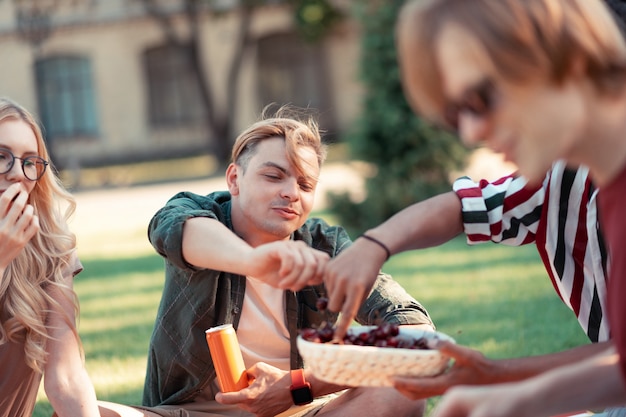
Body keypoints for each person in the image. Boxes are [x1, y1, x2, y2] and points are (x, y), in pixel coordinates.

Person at [389, 0, 626, 415]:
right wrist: (519, 400)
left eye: (480, 98)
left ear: (565, 52)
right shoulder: (607, 183)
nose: (470, 132)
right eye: (456, 114)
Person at [123, 105, 434, 417]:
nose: (291, 193)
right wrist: (254, 260)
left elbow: (417, 333)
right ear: (234, 179)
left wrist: (299, 385)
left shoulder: (325, 247)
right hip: (191, 413)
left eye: (305, 184)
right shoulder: (198, 215)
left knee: (403, 390)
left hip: (298, 409)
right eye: (274, 176)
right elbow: (175, 230)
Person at [0, 97, 101, 416]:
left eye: (30, 161)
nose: (18, 173)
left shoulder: (48, 246)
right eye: (1, 156)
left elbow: (66, 379)